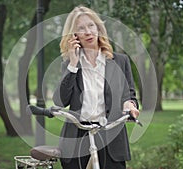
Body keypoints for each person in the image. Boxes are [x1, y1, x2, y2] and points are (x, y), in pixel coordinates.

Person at [52, 5, 140, 169]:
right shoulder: (70, 65)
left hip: (111, 136)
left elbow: (129, 96)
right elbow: (60, 101)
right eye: (81, 28)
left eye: (91, 25)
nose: (87, 31)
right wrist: (72, 64)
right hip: (77, 138)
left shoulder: (120, 61)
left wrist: (129, 105)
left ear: (99, 28)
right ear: (74, 35)